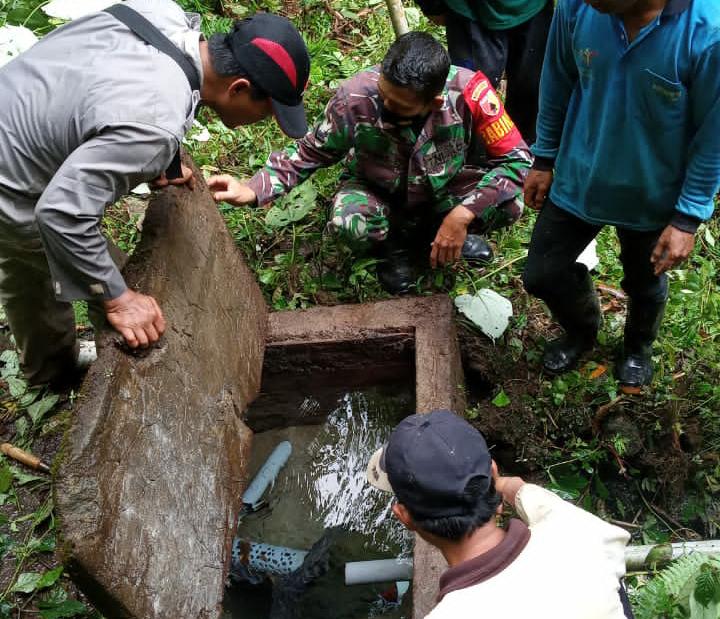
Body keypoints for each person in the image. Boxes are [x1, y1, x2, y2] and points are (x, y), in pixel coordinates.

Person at [0, 0, 310, 387]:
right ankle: (84, 379)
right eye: (267, 113)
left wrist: (164, 158)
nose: (263, 122)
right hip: (11, 186)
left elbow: (119, 83)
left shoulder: (161, 13)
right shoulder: (153, 125)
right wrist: (119, 300)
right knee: (101, 274)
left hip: (13, 113)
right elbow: (60, 216)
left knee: (27, 266)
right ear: (240, 88)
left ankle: (48, 372)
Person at [207, 32, 532, 295]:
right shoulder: (355, 97)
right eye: (384, 94)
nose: (386, 106)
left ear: (432, 102)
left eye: (399, 106)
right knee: (350, 222)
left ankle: (440, 234)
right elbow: (310, 152)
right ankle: (393, 251)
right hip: (378, 190)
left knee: (509, 205)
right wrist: (252, 188)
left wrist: (461, 216)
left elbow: (518, 161)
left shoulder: (471, 93)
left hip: (443, 189)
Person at [522, 0, 720, 392]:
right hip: (581, 174)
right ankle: (583, 329)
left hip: (653, 194)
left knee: (644, 283)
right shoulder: (577, 7)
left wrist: (687, 218)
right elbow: (558, 77)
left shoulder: (708, 33)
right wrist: (544, 156)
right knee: (542, 274)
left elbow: (713, 136)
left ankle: (637, 348)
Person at [366, 410, 634, 618]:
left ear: (404, 516)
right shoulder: (584, 534)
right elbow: (523, 491)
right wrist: (502, 486)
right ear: (493, 472)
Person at [412, 0, 553, 143]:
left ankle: (523, 156)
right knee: (470, 99)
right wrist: (431, 5)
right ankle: (470, 158)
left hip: (532, 7)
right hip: (468, 10)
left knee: (530, 92)